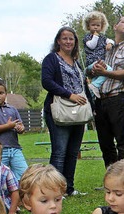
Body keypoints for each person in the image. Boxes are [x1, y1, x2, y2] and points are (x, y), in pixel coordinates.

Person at [41, 27, 88, 196]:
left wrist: (91, 108)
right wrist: (70, 95)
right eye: (65, 38)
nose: (68, 42)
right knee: (59, 152)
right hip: (59, 110)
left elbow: (84, 85)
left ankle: (69, 188)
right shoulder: (52, 59)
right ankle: (54, 190)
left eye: (71, 39)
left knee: (73, 152)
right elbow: (46, 81)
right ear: (58, 41)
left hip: (78, 112)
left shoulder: (76, 62)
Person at [89, 16, 124, 169]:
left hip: (117, 98)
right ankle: (111, 179)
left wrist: (106, 73)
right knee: (105, 142)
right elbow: (92, 71)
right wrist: (94, 70)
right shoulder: (103, 48)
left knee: (122, 140)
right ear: (115, 26)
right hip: (99, 100)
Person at [82, 11, 114, 99]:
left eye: (98, 25)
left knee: (96, 80)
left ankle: (91, 96)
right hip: (92, 62)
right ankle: (94, 86)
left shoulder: (103, 37)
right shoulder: (87, 37)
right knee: (109, 70)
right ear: (88, 26)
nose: (95, 27)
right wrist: (95, 36)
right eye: (93, 25)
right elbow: (91, 46)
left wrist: (110, 44)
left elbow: (110, 40)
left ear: (102, 27)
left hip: (100, 63)